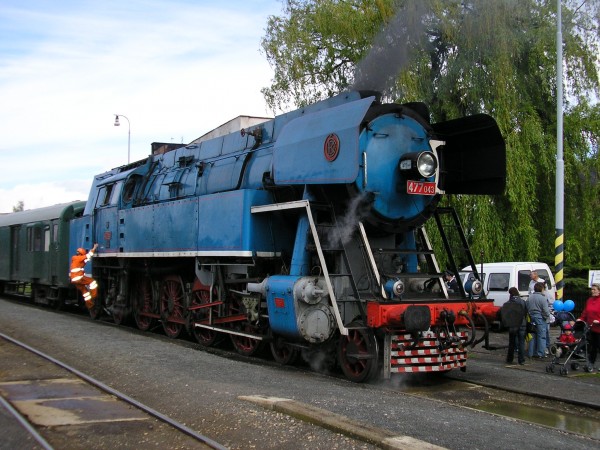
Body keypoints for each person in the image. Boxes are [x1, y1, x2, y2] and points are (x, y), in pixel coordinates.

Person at [577, 283, 600, 369]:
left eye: (594, 289)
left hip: (599, 327)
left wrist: (599, 321)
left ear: (599, 291)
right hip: (592, 327)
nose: (592, 291)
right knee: (593, 347)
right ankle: (591, 363)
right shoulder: (589, 300)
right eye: (592, 289)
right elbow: (585, 312)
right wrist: (581, 319)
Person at [70, 243, 99, 309]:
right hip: (79, 278)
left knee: (85, 292)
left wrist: (87, 258)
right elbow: (88, 255)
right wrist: (94, 248)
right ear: (81, 254)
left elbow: (85, 259)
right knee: (93, 282)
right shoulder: (79, 258)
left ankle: (90, 305)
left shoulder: (75, 259)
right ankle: (93, 297)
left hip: (74, 280)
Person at [527, 282, 551, 358]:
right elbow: (546, 311)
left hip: (531, 318)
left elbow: (527, 307)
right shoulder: (543, 298)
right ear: (542, 289)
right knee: (541, 336)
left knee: (532, 336)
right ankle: (540, 353)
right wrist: (547, 317)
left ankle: (531, 352)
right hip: (540, 318)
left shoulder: (530, 297)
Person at [504, 287, 527, 365]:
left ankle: (510, 359)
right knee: (521, 343)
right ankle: (521, 360)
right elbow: (525, 312)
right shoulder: (523, 302)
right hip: (522, 323)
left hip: (513, 324)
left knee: (512, 342)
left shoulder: (508, 302)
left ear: (510, 294)